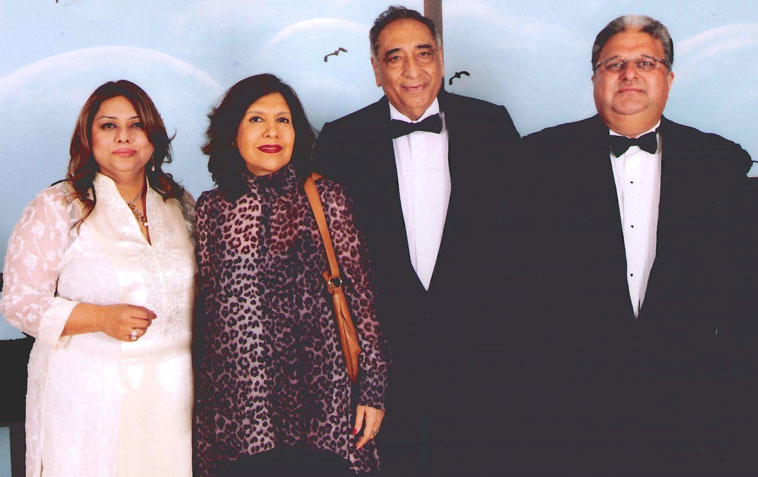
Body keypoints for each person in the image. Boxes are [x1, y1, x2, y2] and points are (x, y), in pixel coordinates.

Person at [521, 14, 755, 474]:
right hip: (571, 415)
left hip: (692, 415)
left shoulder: (721, 164)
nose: (629, 74)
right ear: (595, 79)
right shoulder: (536, 160)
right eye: (614, 64)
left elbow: (741, 302)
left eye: (645, 62)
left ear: (669, 78)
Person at [311, 6, 522, 475]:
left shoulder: (492, 126)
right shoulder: (341, 141)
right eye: (395, 57)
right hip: (384, 381)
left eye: (424, 54)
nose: (413, 71)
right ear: (375, 69)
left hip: (482, 367)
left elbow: (523, 245)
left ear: (441, 59)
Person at [193, 73, 388, 476]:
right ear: (232, 134)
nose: (272, 131)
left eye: (283, 120)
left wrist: (373, 392)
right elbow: (209, 323)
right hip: (241, 416)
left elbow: (362, 303)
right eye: (256, 119)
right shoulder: (211, 209)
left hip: (324, 410)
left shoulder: (326, 196)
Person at [1, 80, 196, 476]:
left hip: (174, 397)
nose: (124, 136)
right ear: (88, 138)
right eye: (109, 126)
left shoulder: (179, 205)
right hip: (88, 401)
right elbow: (18, 303)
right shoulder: (59, 205)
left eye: (136, 125)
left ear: (154, 137)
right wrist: (100, 317)